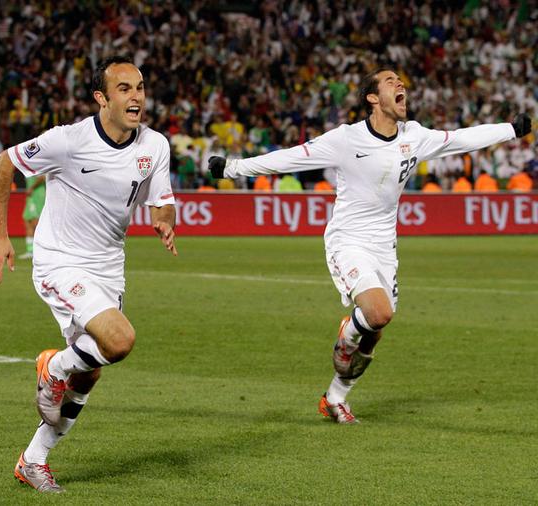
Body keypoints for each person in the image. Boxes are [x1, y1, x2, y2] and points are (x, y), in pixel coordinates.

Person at [209, 68, 532, 424]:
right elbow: (291, 157)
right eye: (391, 81)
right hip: (348, 239)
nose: (401, 85)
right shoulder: (346, 140)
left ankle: (335, 397)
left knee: (375, 332)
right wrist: (232, 168)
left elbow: (460, 138)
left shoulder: (414, 135)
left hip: (384, 246)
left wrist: (511, 130)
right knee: (377, 315)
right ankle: (348, 333)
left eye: (402, 82)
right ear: (372, 98)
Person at [0, 56, 177, 493]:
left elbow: (161, 200)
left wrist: (164, 219)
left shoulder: (155, 146)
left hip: (109, 268)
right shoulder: (68, 141)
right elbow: (3, 164)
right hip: (60, 262)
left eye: (140, 87)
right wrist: (0, 236)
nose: (136, 96)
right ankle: (53, 365)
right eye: (124, 89)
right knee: (120, 340)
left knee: (89, 373)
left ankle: (33, 460)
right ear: (101, 98)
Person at [18, 175, 45, 259]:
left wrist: (32, 187)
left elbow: (42, 177)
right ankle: (30, 251)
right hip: (31, 196)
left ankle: (40, 250)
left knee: (36, 223)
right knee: (28, 220)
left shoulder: (38, 164)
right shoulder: (29, 165)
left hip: (37, 195)